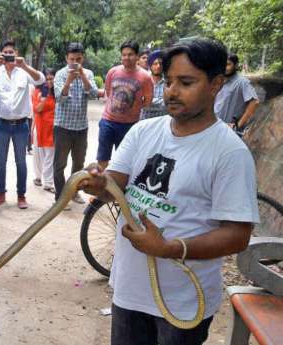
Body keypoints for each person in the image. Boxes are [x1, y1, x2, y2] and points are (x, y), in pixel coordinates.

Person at [80, 39, 259, 345]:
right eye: (168, 81)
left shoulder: (229, 152)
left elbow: (237, 236)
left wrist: (169, 248)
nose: (171, 92)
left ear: (216, 84)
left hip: (184, 302)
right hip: (129, 290)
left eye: (186, 82)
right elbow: (114, 186)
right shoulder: (143, 131)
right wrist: (99, 184)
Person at [0, 39, 45, 209]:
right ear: (1, 55)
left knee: (21, 161)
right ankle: (1, 193)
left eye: (11, 53)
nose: (8, 56)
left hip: (21, 125)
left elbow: (40, 79)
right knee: (0, 161)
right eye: (5, 53)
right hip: (1, 125)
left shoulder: (23, 72)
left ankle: (21, 195)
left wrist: (25, 66)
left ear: (16, 53)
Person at [53, 42, 98, 209]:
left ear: (83, 58)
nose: (75, 62)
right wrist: (69, 81)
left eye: (78, 59)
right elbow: (59, 97)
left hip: (81, 127)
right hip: (63, 127)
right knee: (59, 165)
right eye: (72, 59)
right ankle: (60, 197)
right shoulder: (60, 74)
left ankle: (73, 192)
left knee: (79, 164)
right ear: (66, 58)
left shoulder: (89, 73)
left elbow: (93, 94)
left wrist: (83, 76)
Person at [97, 40, 153, 170]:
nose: (126, 57)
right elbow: (109, 92)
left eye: (130, 54)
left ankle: (117, 189)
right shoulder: (113, 72)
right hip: (108, 122)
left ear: (137, 57)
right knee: (102, 158)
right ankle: (101, 187)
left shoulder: (145, 77)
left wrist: (134, 108)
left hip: (129, 125)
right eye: (124, 54)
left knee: (123, 162)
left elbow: (148, 99)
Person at [214, 53, 259, 129]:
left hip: (227, 129)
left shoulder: (242, 82)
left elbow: (254, 102)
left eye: (228, 64)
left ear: (236, 65)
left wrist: (238, 125)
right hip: (213, 125)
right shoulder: (218, 80)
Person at [32, 68, 56, 193]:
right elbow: (38, 109)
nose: (49, 81)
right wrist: (46, 96)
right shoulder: (38, 91)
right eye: (47, 79)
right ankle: (38, 177)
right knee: (38, 154)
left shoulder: (58, 93)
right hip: (40, 127)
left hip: (52, 128)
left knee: (50, 156)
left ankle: (48, 182)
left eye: (51, 78)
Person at [140, 49, 167, 120]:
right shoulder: (143, 80)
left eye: (160, 64)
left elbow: (168, 103)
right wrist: (161, 101)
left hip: (162, 122)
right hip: (144, 122)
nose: (158, 66)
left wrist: (148, 101)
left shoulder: (168, 82)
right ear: (150, 66)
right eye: (155, 64)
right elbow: (140, 103)